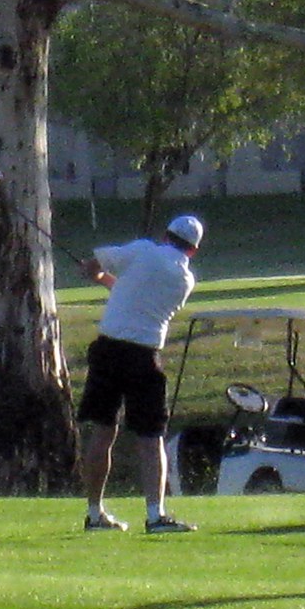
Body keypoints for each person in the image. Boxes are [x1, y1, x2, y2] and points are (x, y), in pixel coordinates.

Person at [78, 215, 203, 534]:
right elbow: (139, 297)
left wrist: (96, 273)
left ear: (166, 235)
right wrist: (105, 279)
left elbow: (97, 264)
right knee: (150, 439)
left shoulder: (142, 251)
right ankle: (155, 515)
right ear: (193, 251)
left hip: (107, 350)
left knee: (103, 433)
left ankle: (94, 514)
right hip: (144, 356)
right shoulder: (184, 281)